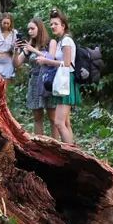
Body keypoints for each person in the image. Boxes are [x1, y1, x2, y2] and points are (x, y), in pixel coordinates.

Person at [33, 11, 79, 144]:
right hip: (62, 82)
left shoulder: (66, 41)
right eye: (51, 24)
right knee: (65, 122)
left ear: (63, 25)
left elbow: (67, 63)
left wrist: (46, 61)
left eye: (56, 24)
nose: (53, 26)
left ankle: (70, 154)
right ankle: (72, 151)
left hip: (66, 81)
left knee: (59, 123)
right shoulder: (60, 41)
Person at [17, 19, 52, 136]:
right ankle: (39, 144)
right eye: (29, 29)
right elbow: (16, 63)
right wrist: (15, 50)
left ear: (40, 28)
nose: (30, 31)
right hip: (34, 82)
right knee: (37, 117)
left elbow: (52, 59)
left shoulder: (49, 43)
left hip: (47, 82)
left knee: (53, 117)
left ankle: (57, 146)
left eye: (32, 28)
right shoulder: (29, 45)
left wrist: (33, 50)